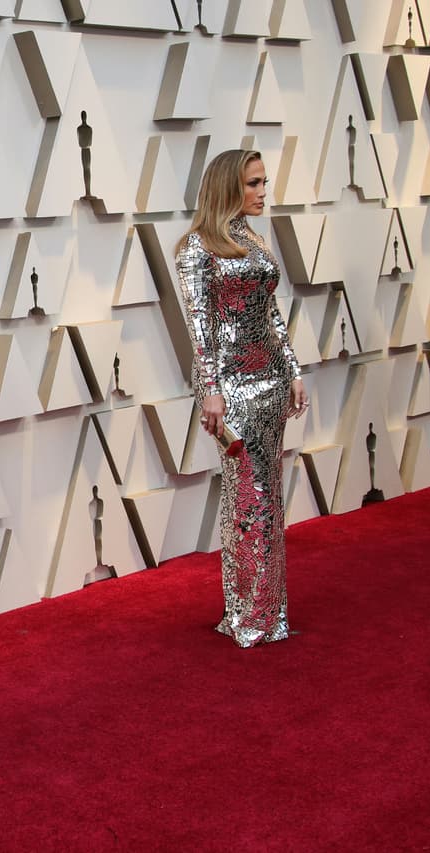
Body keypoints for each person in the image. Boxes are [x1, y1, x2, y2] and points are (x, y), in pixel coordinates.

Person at [175, 149, 308, 648]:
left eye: (263, 182)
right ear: (228, 186)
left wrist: (293, 369)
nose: (262, 191)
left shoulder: (252, 238)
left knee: (265, 495)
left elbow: (271, 314)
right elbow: (200, 327)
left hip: (270, 379)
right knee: (249, 498)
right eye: (253, 183)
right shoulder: (196, 248)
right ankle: (252, 615)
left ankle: (261, 612)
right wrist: (211, 389)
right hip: (229, 387)